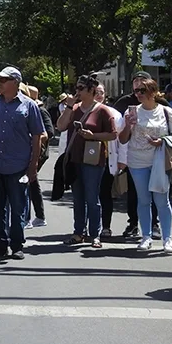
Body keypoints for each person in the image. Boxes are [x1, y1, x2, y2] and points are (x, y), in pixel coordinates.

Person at [0, 67, 45, 260]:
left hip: (18, 167)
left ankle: (17, 245)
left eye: (4, 80)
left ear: (16, 83)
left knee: (18, 208)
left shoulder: (29, 106)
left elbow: (37, 136)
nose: (0, 82)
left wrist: (33, 165)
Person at [57, 75, 117, 249]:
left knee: (92, 198)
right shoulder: (73, 108)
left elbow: (113, 134)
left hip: (93, 160)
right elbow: (60, 126)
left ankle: (95, 235)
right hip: (74, 159)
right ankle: (78, 232)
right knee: (78, 198)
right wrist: (69, 106)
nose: (77, 91)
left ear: (91, 90)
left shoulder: (103, 110)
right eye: (76, 88)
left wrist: (94, 136)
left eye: (81, 88)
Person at [118, 76, 172, 253]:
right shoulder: (132, 112)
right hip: (137, 161)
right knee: (143, 200)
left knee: (162, 200)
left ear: (153, 92)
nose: (139, 94)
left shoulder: (166, 111)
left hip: (159, 161)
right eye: (136, 91)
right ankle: (146, 236)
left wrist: (162, 141)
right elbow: (123, 139)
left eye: (143, 90)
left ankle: (167, 239)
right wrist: (128, 125)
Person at [94, 84, 127, 238]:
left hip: (108, 159)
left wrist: (122, 160)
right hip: (87, 160)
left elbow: (122, 140)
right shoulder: (83, 111)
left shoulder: (114, 113)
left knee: (105, 193)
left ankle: (106, 226)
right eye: (95, 92)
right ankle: (91, 227)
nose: (98, 95)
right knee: (89, 195)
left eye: (101, 92)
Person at [25, 85, 54, 228]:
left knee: (27, 182)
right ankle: (37, 216)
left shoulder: (40, 111)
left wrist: (32, 140)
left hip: (38, 153)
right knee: (31, 183)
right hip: (27, 152)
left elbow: (49, 132)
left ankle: (28, 218)